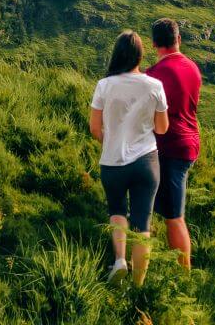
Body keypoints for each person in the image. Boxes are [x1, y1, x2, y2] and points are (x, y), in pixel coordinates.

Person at [89, 30, 169, 285]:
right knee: (143, 221)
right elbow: (162, 128)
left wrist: (111, 140)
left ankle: (120, 260)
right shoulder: (154, 85)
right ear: (139, 55)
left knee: (117, 211)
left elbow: (94, 128)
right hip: (146, 160)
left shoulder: (105, 85)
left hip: (113, 162)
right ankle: (138, 284)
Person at [145, 18, 201, 269]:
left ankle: (183, 275)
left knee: (174, 217)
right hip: (189, 142)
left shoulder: (155, 75)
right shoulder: (193, 68)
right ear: (179, 39)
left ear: (155, 43)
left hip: (170, 147)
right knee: (164, 207)